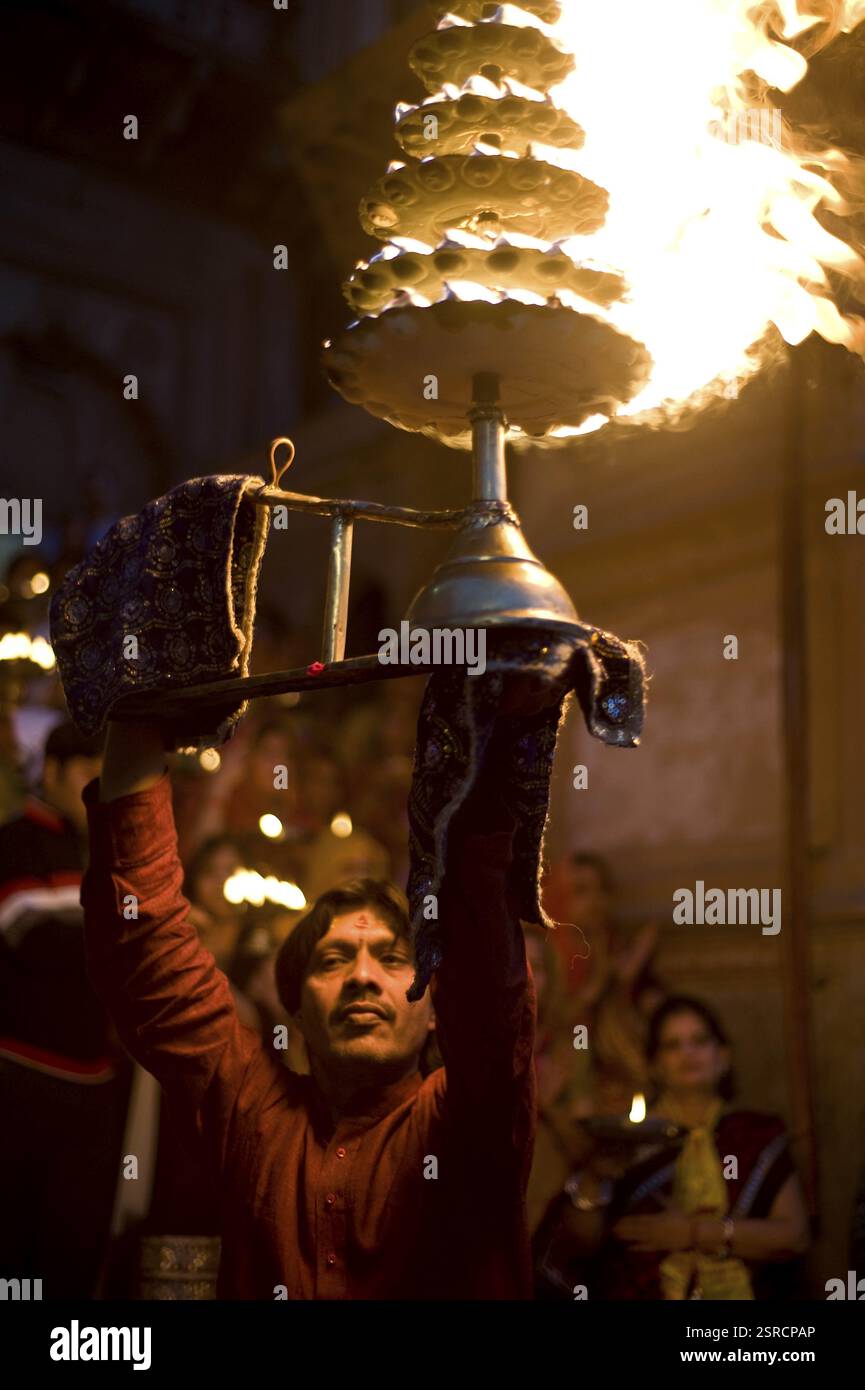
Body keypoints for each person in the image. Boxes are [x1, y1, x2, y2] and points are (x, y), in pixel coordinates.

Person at [80, 708, 537, 1300]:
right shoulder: (256, 1111)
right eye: (332, 960)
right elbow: (149, 959)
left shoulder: (466, 1118)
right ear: (294, 1006)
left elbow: (492, 1000)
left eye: (393, 960)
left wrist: (493, 720)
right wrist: (137, 720)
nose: (362, 978)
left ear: (434, 1011)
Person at [534, 995, 809, 1300]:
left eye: (699, 1041)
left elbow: (794, 1237)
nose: (687, 1053)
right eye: (672, 1045)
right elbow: (579, 1247)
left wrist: (693, 1234)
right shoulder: (630, 1139)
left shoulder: (755, 1134)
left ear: (724, 1057)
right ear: (655, 1066)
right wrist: (596, 1177)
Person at [0, 720, 130, 1298]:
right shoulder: (16, 842)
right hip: (21, 1075)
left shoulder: (112, 850)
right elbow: (25, 928)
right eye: (84, 773)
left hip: (94, 1083)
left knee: (74, 1244)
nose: (96, 787)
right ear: (50, 773)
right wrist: (122, 930)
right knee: (14, 1242)